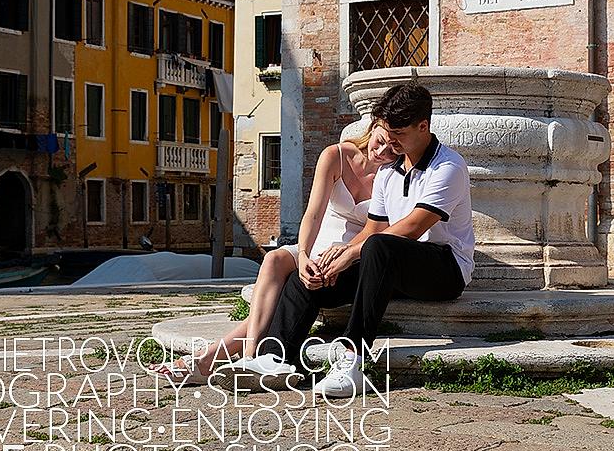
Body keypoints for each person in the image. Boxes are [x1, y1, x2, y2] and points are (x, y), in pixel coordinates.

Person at [247, 83, 475, 397]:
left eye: (399, 132)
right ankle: (274, 358)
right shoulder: (388, 172)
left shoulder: (448, 167)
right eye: (388, 131)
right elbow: (372, 229)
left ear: (423, 126)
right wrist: (338, 255)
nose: (391, 141)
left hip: (444, 269)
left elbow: (413, 227)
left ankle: (352, 360)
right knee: (313, 270)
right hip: (391, 267)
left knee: (380, 247)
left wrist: (354, 253)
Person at [149, 122, 396, 385]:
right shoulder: (336, 155)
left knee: (277, 302)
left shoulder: (394, 174)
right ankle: (249, 355)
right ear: (373, 126)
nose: (381, 152)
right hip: (318, 241)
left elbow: (377, 229)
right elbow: (313, 213)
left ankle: (209, 359)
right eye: (379, 140)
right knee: (274, 258)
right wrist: (302, 254)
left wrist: (344, 255)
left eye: (392, 150)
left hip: (351, 252)